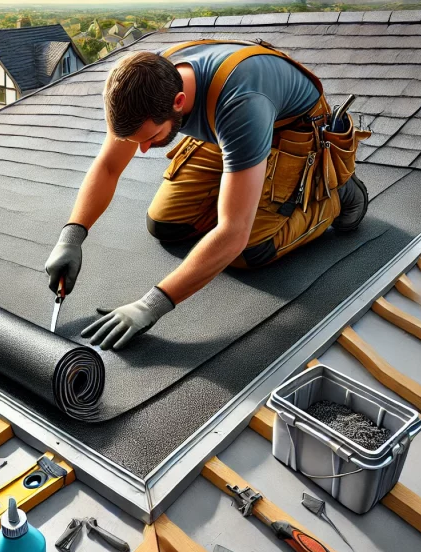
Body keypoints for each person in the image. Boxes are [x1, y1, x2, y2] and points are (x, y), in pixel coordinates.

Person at [44, 41, 368, 351]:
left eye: (151, 138)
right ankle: (244, 182)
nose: (141, 150)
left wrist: (150, 306)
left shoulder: (241, 105)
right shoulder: (146, 80)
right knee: (165, 224)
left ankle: (337, 197)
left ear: (179, 102)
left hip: (291, 133)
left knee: (249, 250)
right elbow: (109, 166)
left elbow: (233, 234)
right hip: (232, 134)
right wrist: (71, 237)